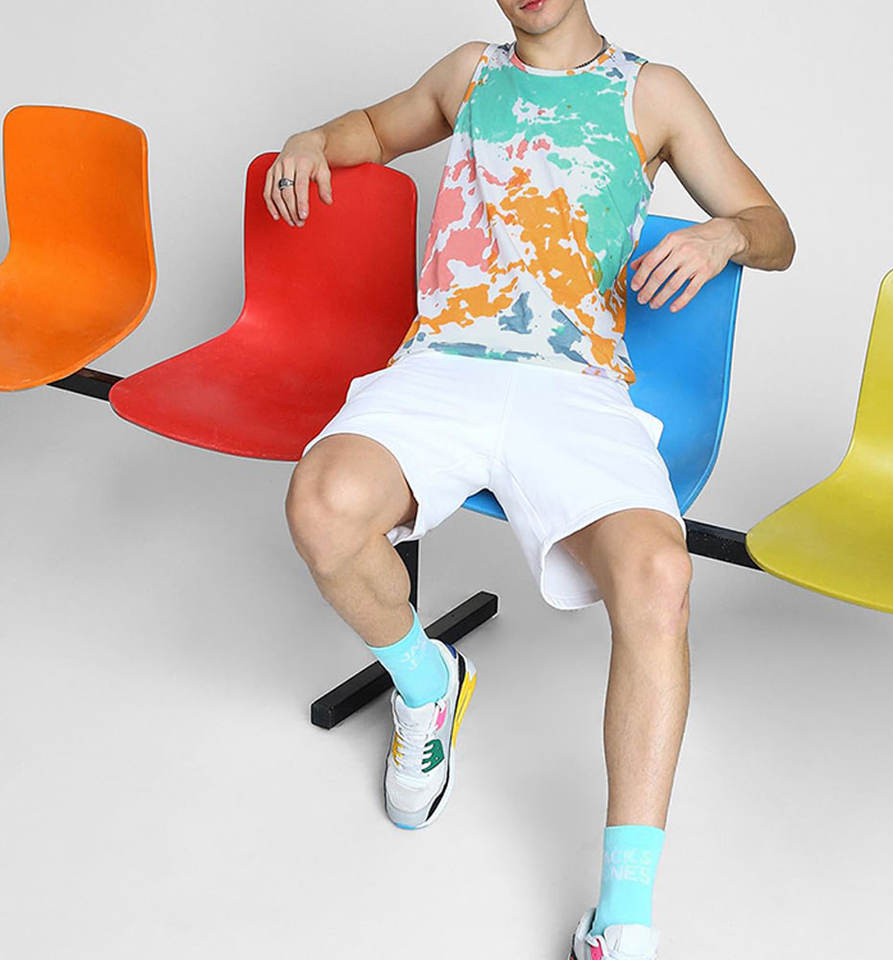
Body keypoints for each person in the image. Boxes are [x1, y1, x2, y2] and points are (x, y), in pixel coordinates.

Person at [282, 1, 795, 957]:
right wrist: (314, 139)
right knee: (321, 506)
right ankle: (426, 680)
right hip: (442, 367)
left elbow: (774, 229)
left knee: (660, 575)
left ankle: (623, 918)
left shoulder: (652, 92)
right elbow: (375, 131)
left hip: (576, 388)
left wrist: (723, 236)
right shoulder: (468, 72)